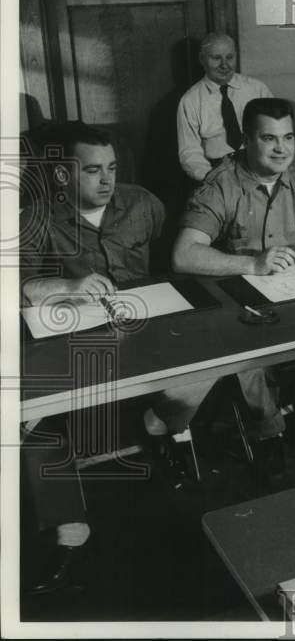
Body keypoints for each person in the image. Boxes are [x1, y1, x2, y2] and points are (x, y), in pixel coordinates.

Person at [173, 97, 295, 473]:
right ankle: (269, 434)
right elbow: (183, 255)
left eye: (289, 138)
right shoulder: (222, 183)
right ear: (246, 139)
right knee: (248, 357)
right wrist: (252, 263)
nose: (282, 149)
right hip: (241, 303)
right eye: (270, 139)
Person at [20, 123, 166, 595]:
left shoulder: (143, 203)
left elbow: (168, 264)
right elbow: (14, 285)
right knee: (35, 417)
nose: (106, 181)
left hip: (149, 337)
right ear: (63, 176)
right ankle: (69, 533)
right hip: (78, 346)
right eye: (92, 171)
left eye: (112, 169)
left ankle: (162, 430)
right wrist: (66, 286)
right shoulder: (37, 218)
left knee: (199, 378)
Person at [176, 32, 273, 183]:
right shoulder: (190, 100)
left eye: (229, 57)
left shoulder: (257, 89)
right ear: (202, 59)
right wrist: (214, 179)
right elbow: (189, 153)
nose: (224, 65)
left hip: (258, 167)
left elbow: (274, 132)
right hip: (216, 172)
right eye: (216, 58)